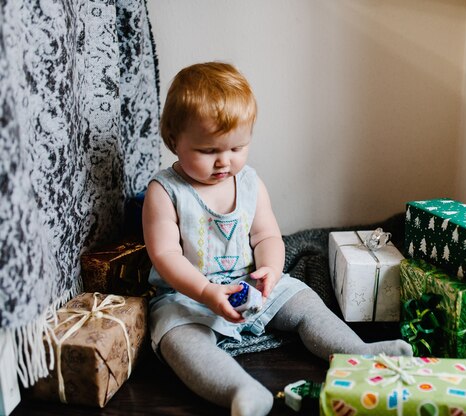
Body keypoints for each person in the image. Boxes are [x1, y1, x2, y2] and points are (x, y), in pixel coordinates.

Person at [142, 61, 412, 416]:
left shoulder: (250, 183)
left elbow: (267, 234)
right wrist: (206, 293)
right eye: (208, 151)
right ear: (174, 140)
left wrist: (270, 268)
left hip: (248, 283)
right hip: (187, 294)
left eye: (237, 148)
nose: (224, 161)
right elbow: (165, 254)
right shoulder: (165, 191)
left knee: (306, 303)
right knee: (181, 342)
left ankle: (357, 352)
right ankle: (238, 390)